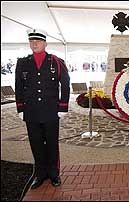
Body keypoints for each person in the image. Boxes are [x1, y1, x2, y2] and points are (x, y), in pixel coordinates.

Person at [15, 29, 70, 189]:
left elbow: (65, 84)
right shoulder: (23, 63)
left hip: (51, 110)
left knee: (52, 143)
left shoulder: (56, 61)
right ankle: (40, 174)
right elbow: (19, 86)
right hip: (31, 111)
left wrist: (63, 107)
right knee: (36, 143)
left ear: (45, 43)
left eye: (38, 41)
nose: (35, 43)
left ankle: (53, 173)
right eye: (32, 41)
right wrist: (20, 108)